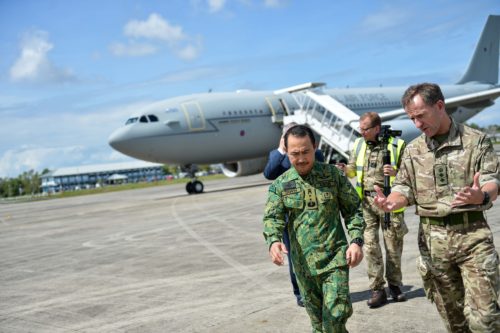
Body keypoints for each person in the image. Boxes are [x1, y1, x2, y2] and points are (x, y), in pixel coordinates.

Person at [373, 83, 500, 332]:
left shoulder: (476, 141)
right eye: (412, 118)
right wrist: (391, 203)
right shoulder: (413, 150)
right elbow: (403, 188)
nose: (417, 124)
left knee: (485, 320)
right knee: (455, 322)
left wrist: (480, 195)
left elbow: (492, 182)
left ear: (440, 106)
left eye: (421, 116)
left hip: (472, 239)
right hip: (433, 244)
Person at [263, 124, 365, 332]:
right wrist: (273, 240)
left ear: (315, 147)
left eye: (305, 152)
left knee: (335, 316)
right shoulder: (281, 185)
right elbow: (272, 217)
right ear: (287, 153)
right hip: (303, 266)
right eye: (295, 154)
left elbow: (353, 209)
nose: (301, 159)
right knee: (319, 325)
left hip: (335, 259)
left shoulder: (333, 176)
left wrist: (356, 241)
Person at [336, 112, 408, 308]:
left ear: (377, 128)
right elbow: (352, 170)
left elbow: (411, 174)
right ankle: (377, 289)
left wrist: (397, 172)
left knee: (393, 245)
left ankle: (395, 285)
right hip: (366, 203)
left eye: (365, 129)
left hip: (390, 202)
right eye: (360, 128)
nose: (362, 132)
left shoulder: (397, 145)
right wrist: (344, 170)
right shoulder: (359, 144)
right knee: (370, 247)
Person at [263, 122, 325, 307]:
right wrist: (282, 149)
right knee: (294, 258)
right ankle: (300, 293)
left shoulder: (316, 153)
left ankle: (321, 288)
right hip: (290, 218)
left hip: (313, 213)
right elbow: (269, 173)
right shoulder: (278, 156)